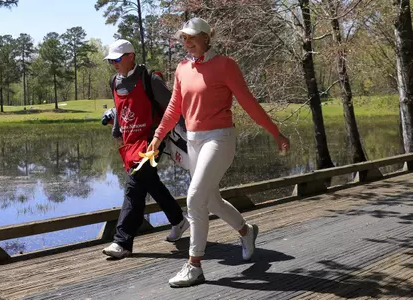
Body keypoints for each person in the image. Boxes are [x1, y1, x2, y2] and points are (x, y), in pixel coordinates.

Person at [147, 18, 291, 287]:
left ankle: (194, 265)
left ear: (206, 37)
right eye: (183, 39)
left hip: (219, 139)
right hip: (193, 140)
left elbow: (248, 102)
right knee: (210, 200)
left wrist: (275, 132)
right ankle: (246, 231)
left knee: (194, 198)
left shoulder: (225, 65)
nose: (187, 43)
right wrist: (157, 137)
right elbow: (173, 108)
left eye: (191, 37)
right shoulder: (182, 68)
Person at [101, 39, 190, 259]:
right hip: (130, 142)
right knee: (150, 182)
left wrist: (190, 137)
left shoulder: (150, 79)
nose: (113, 63)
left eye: (117, 59)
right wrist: (114, 121)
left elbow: (173, 109)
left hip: (152, 141)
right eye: (111, 60)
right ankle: (179, 220)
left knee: (134, 185)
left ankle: (122, 242)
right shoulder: (114, 81)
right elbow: (123, 106)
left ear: (131, 56)